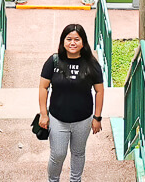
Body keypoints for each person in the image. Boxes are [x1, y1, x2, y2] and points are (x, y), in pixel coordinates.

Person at [39, 24, 104, 182]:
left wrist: (97, 117)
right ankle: (53, 180)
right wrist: (43, 114)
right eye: (68, 39)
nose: (72, 43)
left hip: (83, 119)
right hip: (57, 118)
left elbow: (99, 91)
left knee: (78, 152)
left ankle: (76, 180)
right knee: (58, 154)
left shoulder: (91, 64)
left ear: (83, 42)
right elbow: (43, 87)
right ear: (63, 42)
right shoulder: (53, 61)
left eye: (77, 39)